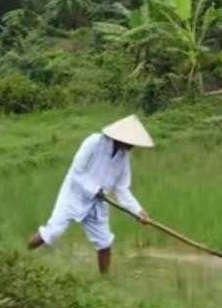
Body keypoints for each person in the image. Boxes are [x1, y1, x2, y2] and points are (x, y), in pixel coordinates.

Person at [27, 115, 153, 274]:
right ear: (122, 138)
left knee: (104, 243)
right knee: (53, 232)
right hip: (74, 196)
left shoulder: (123, 157)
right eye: (132, 142)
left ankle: (105, 281)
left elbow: (122, 188)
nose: (133, 146)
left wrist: (138, 211)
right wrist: (94, 190)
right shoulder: (94, 142)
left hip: (98, 203)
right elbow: (76, 173)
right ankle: (21, 255)